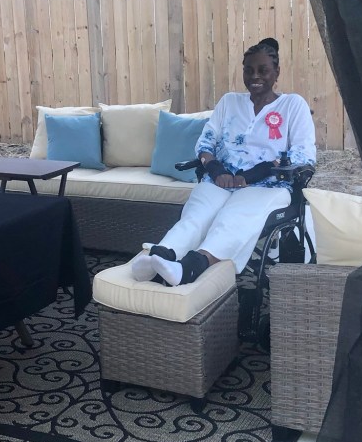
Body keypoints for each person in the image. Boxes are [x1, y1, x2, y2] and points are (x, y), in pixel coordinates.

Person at [132, 37, 316, 286]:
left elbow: (303, 155)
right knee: (196, 217)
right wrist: (216, 169)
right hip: (220, 180)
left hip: (268, 186)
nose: (255, 76)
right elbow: (205, 143)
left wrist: (252, 175)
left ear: (277, 72)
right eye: (248, 70)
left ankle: (192, 267)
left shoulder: (293, 105)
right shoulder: (229, 101)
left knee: (232, 218)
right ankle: (160, 257)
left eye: (263, 70)